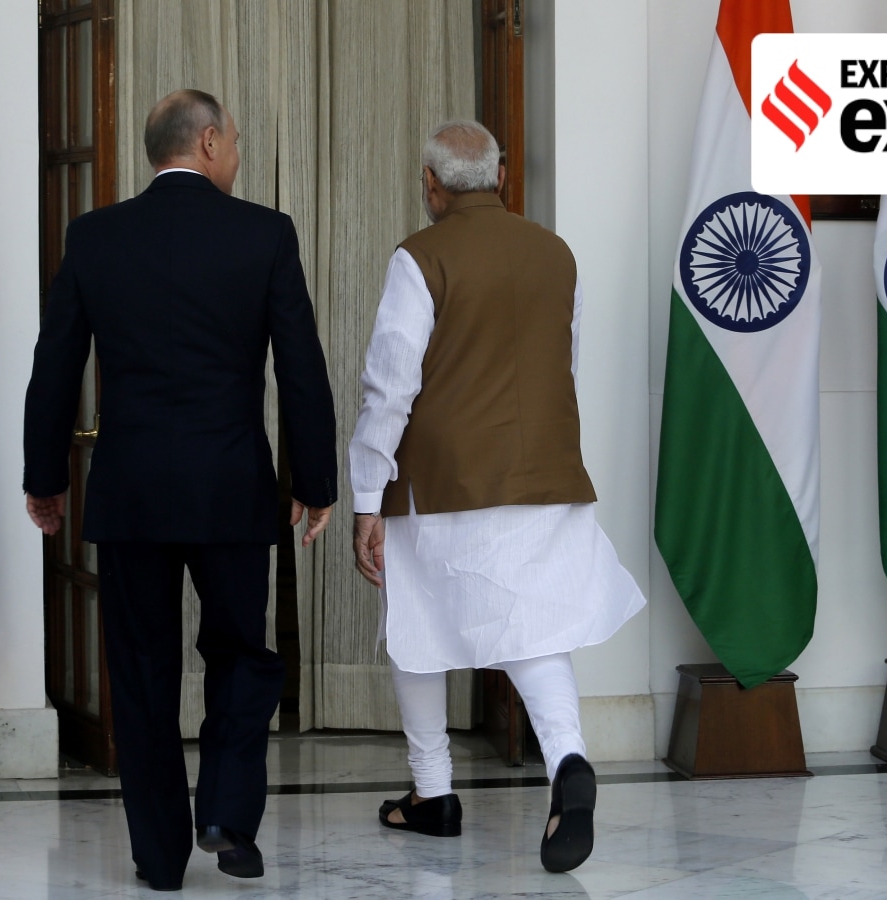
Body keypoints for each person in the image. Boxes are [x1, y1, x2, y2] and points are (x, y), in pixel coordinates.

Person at [22, 89, 336, 891]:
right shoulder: (265, 234)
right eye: (232, 139)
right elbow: (301, 368)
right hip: (231, 490)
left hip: (130, 494)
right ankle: (227, 813)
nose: (236, 152)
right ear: (204, 144)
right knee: (242, 655)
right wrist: (316, 482)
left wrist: (45, 478)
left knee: (139, 673)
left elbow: (54, 366)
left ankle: (160, 858)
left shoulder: (94, 237)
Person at [349, 120, 646, 874]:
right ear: (502, 176)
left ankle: (433, 794)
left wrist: (364, 490)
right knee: (533, 633)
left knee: (415, 628)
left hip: (444, 479)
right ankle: (568, 760)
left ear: (431, 185)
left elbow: (390, 385)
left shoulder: (420, 257)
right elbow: (563, 363)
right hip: (545, 471)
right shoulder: (556, 254)